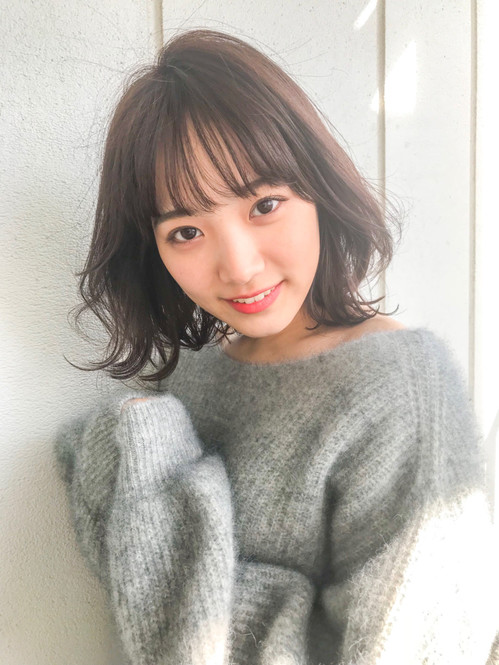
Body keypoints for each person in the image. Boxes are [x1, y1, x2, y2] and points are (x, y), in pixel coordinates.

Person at [54, 29, 499, 665]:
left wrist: (166, 535)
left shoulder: (401, 389)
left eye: (264, 204)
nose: (238, 266)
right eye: (186, 232)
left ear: (319, 189)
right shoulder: (191, 380)